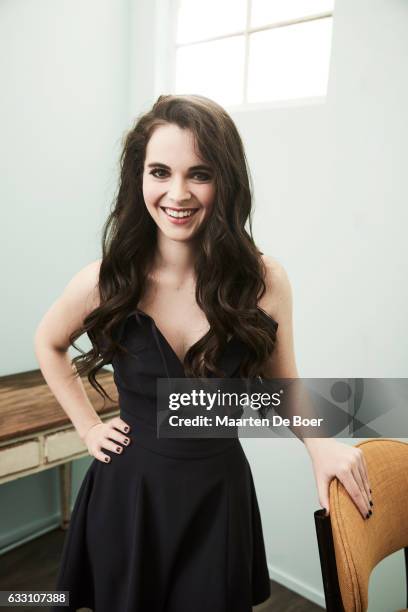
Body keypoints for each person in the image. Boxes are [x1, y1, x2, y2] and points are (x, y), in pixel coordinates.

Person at [34, 94, 372, 612]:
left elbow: (283, 383)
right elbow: (49, 343)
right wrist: (87, 427)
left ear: (226, 180)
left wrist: (320, 447)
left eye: (199, 173)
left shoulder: (263, 280)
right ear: (139, 178)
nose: (177, 193)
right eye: (160, 171)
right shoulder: (106, 280)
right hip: (129, 496)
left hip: (216, 495)